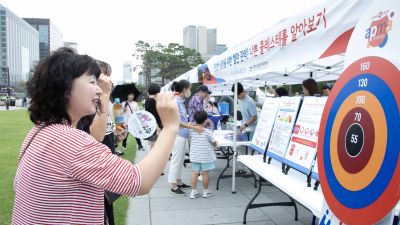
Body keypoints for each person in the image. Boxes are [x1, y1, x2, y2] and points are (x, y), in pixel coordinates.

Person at [12, 48, 180, 224]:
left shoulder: (39, 132)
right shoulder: (72, 142)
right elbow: (141, 181)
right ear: (65, 87)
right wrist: (170, 127)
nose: (99, 91)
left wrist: (113, 140)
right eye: (92, 82)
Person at [76, 59, 127, 224]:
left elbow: (103, 136)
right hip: (93, 173)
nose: (108, 81)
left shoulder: (104, 102)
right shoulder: (87, 106)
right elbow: (95, 137)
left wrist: (115, 139)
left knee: (107, 216)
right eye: (103, 76)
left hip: (105, 170)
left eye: (108, 76)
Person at [169, 80, 205, 196]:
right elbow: (177, 121)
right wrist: (192, 127)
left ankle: (178, 182)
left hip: (182, 134)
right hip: (178, 134)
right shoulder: (176, 102)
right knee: (176, 160)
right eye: (189, 89)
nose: (189, 91)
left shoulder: (180, 101)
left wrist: (190, 125)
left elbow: (182, 120)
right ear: (184, 89)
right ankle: (173, 186)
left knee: (179, 160)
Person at [231, 82, 259, 174]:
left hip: (252, 128)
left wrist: (246, 124)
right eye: (235, 95)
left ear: (243, 91)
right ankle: (243, 168)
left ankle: (253, 170)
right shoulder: (240, 99)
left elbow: (254, 116)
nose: (237, 97)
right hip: (244, 127)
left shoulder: (250, 101)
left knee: (251, 150)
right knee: (242, 149)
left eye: (238, 95)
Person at [189, 110, 217, 199]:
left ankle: (193, 192)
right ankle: (205, 191)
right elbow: (214, 143)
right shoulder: (208, 132)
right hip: (205, 156)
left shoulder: (192, 131)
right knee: (205, 174)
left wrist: (192, 125)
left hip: (195, 156)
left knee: (195, 173)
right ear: (206, 120)